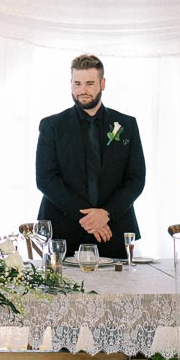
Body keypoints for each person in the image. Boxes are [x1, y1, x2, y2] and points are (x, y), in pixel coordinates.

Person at [35, 54, 146, 261]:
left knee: (120, 283)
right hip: (64, 232)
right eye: (77, 84)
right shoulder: (52, 126)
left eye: (89, 83)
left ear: (102, 84)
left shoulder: (127, 124)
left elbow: (136, 179)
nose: (82, 90)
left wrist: (106, 214)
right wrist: (90, 219)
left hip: (113, 230)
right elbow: (46, 179)